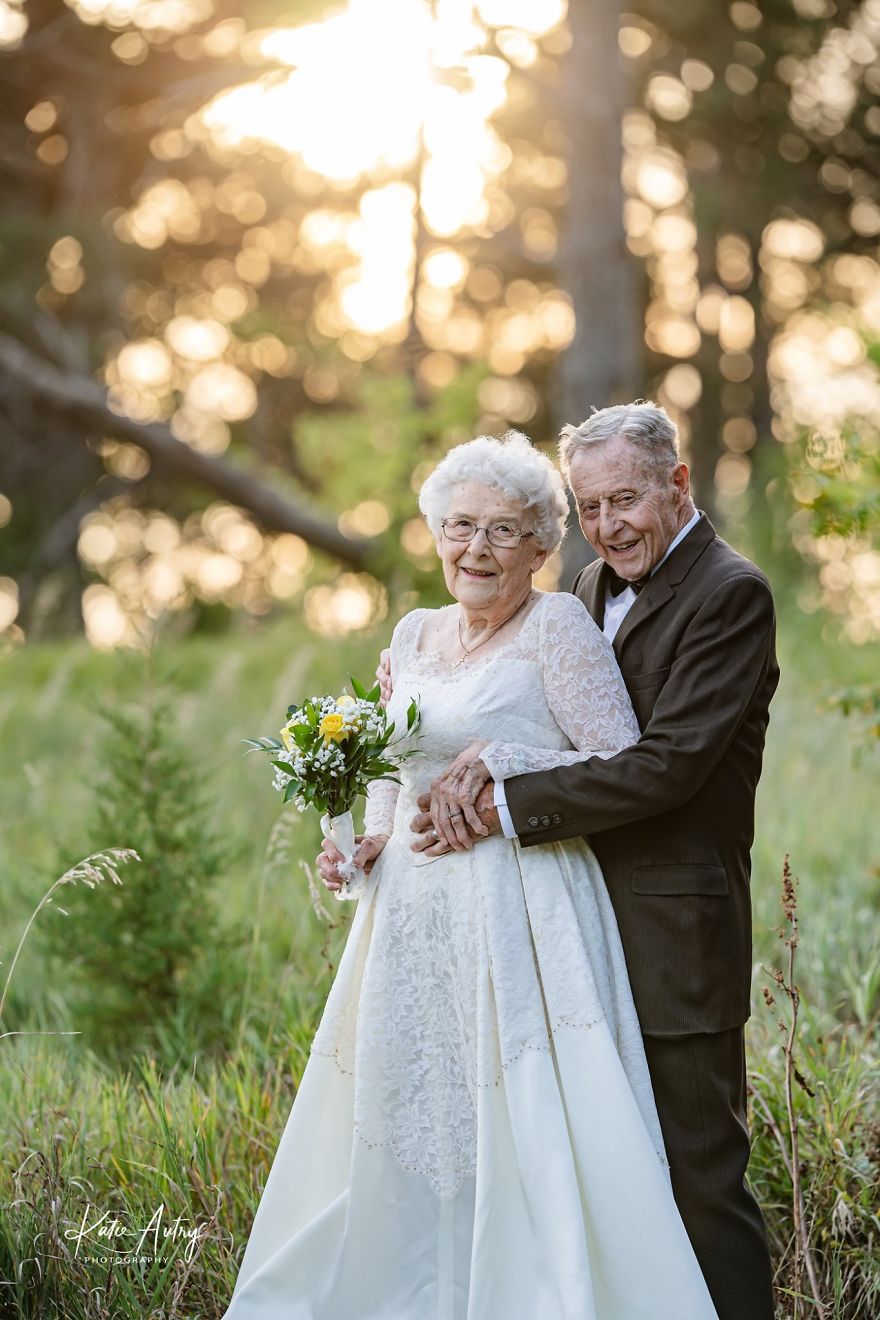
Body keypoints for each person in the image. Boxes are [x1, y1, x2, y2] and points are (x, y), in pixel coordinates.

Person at [223, 431, 719, 1319]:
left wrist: (503, 757)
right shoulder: (411, 633)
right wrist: (367, 843)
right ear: (434, 535)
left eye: (502, 529)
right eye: (459, 527)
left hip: (520, 908)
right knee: (416, 1112)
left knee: (514, 1114)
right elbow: (389, 770)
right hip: (411, 917)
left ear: (540, 545)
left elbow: (619, 756)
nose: (477, 550)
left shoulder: (561, 625)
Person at [399, 402, 779, 1320]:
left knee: (697, 1179)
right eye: (593, 506)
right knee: (609, 1179)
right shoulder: (590, 588)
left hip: (670, 932)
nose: (610, 526)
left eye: (627, 502)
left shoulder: (730, 593)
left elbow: (670, 765)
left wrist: (503, 805)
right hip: (566, 932)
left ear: (678, 485)